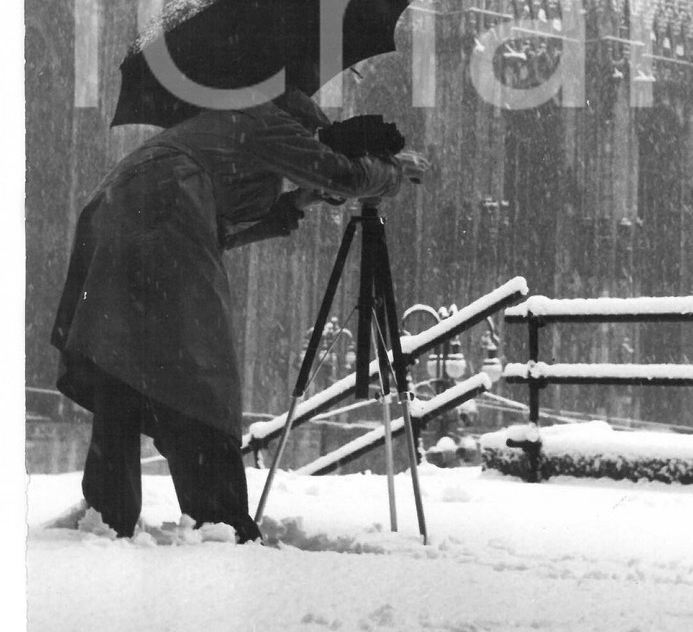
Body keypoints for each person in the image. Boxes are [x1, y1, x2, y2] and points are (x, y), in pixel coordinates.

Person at [51, 85, 425, 543]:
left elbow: (215, 232)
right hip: (161, 207)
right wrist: (388, 173)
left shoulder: (224, 123)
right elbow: (341, 175)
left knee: (121, 362)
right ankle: (218, 517)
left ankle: (110, 513)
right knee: (197, 368)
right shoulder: (266, 118)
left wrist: (295, 203)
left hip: (113, 210)